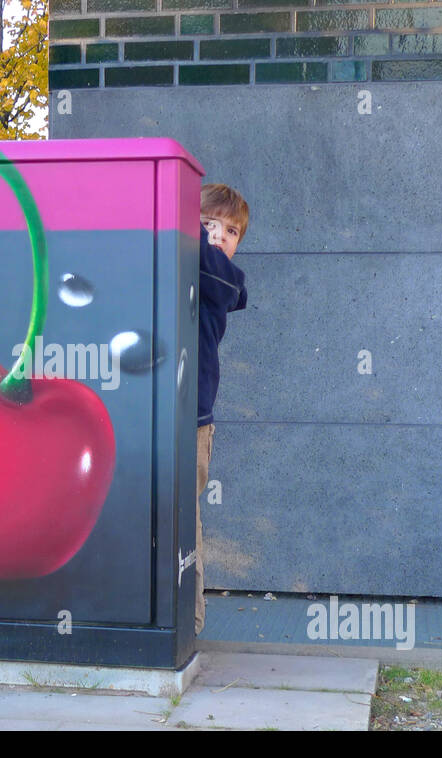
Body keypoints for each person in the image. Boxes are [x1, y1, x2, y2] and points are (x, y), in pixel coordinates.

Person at [195, 183, 249, 636]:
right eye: (208, 224)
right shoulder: (176, 266)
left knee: (182, 520)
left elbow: (210, 267)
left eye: (229, 231)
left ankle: (188, 623)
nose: (218, 236)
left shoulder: (227, 279)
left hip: (192, 422)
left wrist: (181, 226)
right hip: (153, 414)